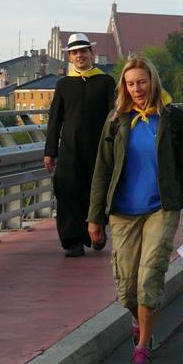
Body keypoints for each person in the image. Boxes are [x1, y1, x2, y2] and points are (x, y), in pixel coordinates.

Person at [88, 56, 183, 364]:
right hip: (123, 212)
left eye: (142, 81)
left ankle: (142, 349)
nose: (137, 88)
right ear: (124, 87)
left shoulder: (172, 118)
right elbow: (102, 170)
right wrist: (94, 217)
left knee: (149, 277)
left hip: (161, 208)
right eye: (130, 83)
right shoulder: (115, 120)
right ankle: (139, 319)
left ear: (153, 81)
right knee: (127, 287)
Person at [44, 33, 116, 257]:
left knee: (97, 191)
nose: (80, 56)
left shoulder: (105, 81)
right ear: (70, 57)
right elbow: (55, 119)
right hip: (69, 150)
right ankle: (72, 240)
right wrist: (50, 152)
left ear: (91, 54)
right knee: (67, 191)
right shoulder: (63, 84)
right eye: (75, 53)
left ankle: (96, 231)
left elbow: (114, 115)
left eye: (83, 51)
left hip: (99, 149)